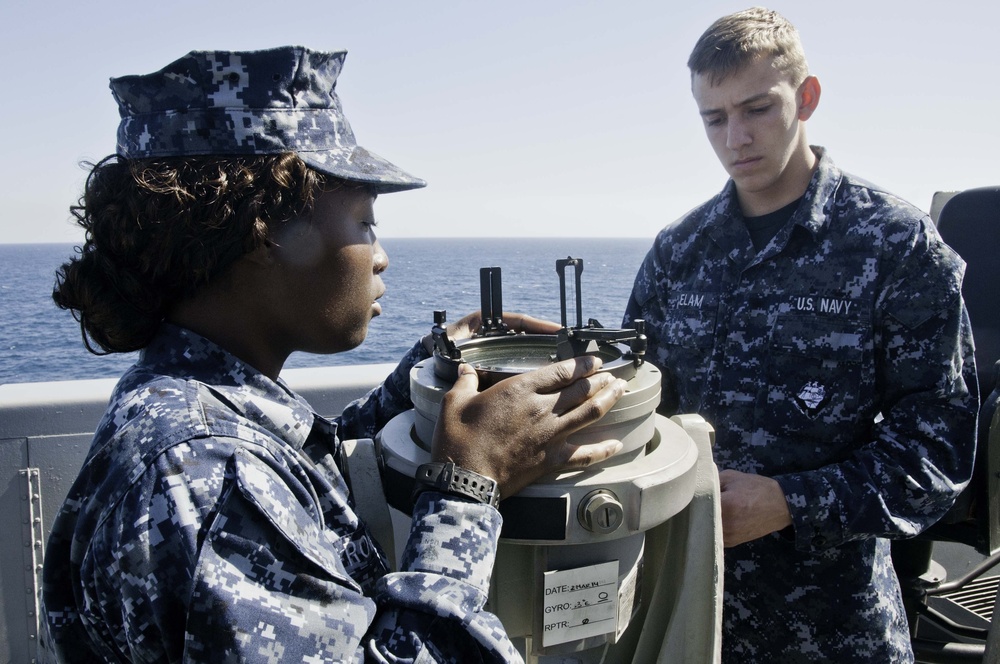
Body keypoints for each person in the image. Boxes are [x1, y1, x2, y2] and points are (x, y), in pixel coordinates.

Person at [41, 46, 628, 663]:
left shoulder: (191, 403)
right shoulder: (209, 473)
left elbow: (297, 484)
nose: (380, 255)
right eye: (365, 221)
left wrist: (422, 378)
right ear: (264, 229)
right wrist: (466, 489)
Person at [623, 8, 978, 662]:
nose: (736, 137)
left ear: (806, 97)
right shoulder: (679, 252)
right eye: (714, 118)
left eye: (757, 108)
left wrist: (789, 502)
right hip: (692, 620)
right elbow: (639, 408)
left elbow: (938, 453)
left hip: (836, 629)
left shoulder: (895, 246)